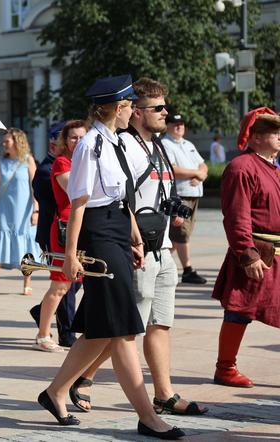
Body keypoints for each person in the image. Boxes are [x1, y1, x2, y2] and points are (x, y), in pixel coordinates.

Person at [37, 75, 184, 439]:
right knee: (123, 330)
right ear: (117, 109)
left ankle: (55, 392)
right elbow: (80, 203)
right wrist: (71, 255)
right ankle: (148, 416)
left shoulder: (114, 140)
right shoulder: (91, 145)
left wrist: (133, 233)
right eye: (127, 107)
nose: (131, 111)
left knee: (103, 329)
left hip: (117, 227)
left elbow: (122, 197)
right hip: (98, 232)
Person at [118, 78, 207, 414]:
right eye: (158, 108)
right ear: (137, 112)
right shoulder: (123, 146)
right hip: (139, 249)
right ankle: (78, 380)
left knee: (160, 324)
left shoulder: (158, 147)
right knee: (124, 331)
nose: (165, 114)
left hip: (164, 248)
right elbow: (119, 198)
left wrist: (175, 214)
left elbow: (162, 193)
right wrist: (133, 239)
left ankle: (164, 394)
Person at [212, 107, 280, 388]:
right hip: (257, 254)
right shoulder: (242, 168)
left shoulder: (274, 168)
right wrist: (246, 253)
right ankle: (225, 368)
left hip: (277, 254)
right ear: (254, 138)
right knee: (239, 312)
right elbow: (236, 215)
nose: (279, 138)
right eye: (274, 133)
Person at [31, 120, 86, 353]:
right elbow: (76, 192)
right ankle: (43, 335)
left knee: (77, 283)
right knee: (61, 285)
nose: (78, 141)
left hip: (82, 227)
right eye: (73, 137)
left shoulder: (83, 161)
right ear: (65, 141)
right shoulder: (62, 163)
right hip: (64, 228)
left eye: (82, 137)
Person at [0, 128, 41, 295]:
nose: (4, 144)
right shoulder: (2, 161)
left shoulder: (28, 160)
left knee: (26, 244)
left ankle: (27, 281)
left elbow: (36, 188)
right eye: (4, 141)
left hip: (24, 210)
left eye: (7, 141)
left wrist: (36, 210)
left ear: (17, 142)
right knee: (3, 240)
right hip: (5, 209)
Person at [162, 112, 208, 284]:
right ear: (167, 126)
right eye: (175, 124)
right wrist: (196, 173)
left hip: (194, 194)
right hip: (180, 194)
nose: (179, 126)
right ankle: (188, 270)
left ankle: (156, 261)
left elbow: (202, 163)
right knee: (182, 234)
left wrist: (201, 173)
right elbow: (172, 169)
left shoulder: (188, 143)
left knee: (177, 237)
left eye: (181, 124)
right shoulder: (165, 144)